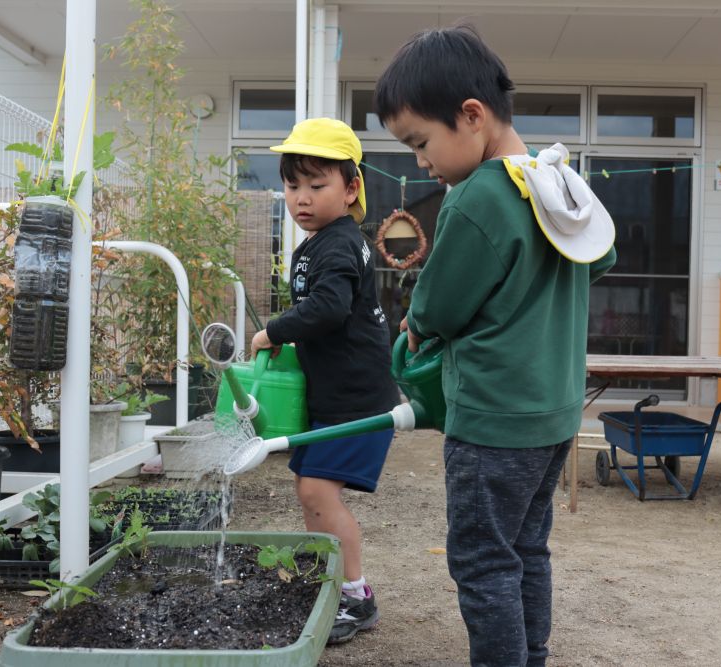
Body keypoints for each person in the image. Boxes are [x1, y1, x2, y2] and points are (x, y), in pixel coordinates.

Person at [373, 25, 618, 667]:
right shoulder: (554, 182)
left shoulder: (481, 195)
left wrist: (416, 324)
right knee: (526, 549)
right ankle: (531, 656)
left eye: (421, 143)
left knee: (483, 561)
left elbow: (438, 306)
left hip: (495, 419)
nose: (420, 162)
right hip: (555, 412)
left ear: (472, 117)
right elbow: (602, 256)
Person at [251, 117, 399, 645]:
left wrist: (274, 330)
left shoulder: (336, 244)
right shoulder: (327, 241)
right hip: (340, 396)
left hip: (357, 402)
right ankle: (332, 583)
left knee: (316, 489)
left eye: (318, 186)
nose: (302, 199)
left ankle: (356, 597)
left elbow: (329, 308)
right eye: (293, 186)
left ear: (351, 187)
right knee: (310, 491)